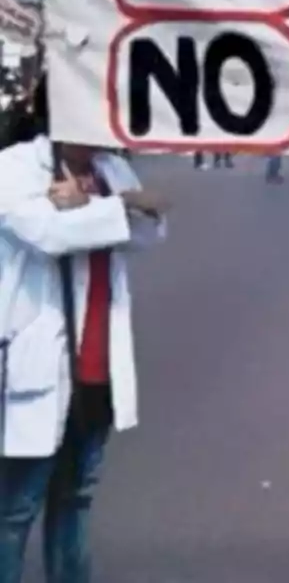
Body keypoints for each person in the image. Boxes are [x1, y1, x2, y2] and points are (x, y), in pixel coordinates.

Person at [0, 80, 167, 583]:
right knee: (15, 512)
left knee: (75, 502)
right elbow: (45, 234)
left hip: (98, 367)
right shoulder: (14, 166)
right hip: (38, 367)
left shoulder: (111, 169)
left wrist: (97, 204)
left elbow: (153, 229)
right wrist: (121, 205)